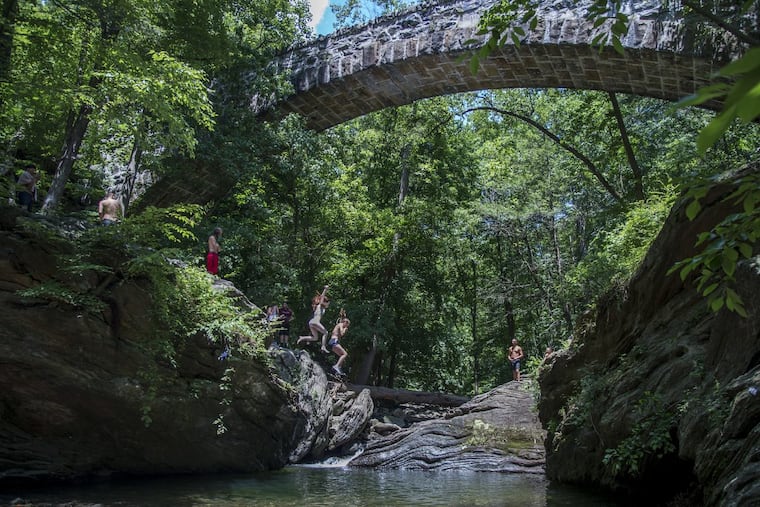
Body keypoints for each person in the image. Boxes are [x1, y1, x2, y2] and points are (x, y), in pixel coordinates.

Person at [296, 285, 330, 350]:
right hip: (315, 322)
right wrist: (325, 289)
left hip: (311, 322)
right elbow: (322, 297)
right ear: (324, 302)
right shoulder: (319, 306)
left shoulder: (321, 308)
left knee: (315, 338)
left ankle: (302, 338)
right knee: (326, 332)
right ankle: (323, 346)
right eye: (328, 303)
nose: (328, 305)